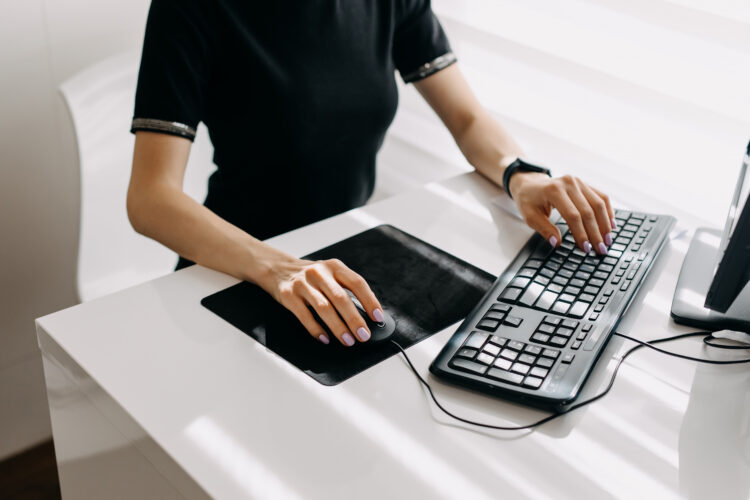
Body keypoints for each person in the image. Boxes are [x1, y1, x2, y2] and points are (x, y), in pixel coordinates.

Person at [127, 0, 615, 348]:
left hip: (344, 262)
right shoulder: (188, 7)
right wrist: (279, 269)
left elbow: (465, 117)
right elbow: (151, 199)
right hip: (233, 270)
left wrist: (521, 174)